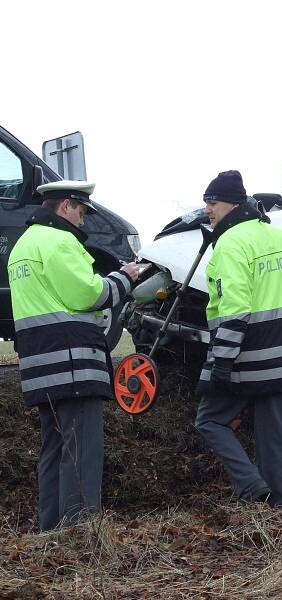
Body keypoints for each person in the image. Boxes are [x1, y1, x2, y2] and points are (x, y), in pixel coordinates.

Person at [8, 180, 141, 531]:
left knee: (53, 450)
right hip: (73, 365)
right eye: (81, 212)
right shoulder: (59, 241)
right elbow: (89, 294)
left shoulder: (25, 244)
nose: (82, 221)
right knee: (81, 452)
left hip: (40, 365)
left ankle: (49, 533)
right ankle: (80, 535)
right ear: (66, 206)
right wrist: (124, 278)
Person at [194, 170, 282, 510]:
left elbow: (235, 309)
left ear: (232, 204)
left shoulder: (229, 245)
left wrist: (222, 362)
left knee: (209, 420)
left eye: (212, 203)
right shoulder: (276, 235)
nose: (207, 211)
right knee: (272, 432)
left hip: (250, 355)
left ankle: (252, 487)